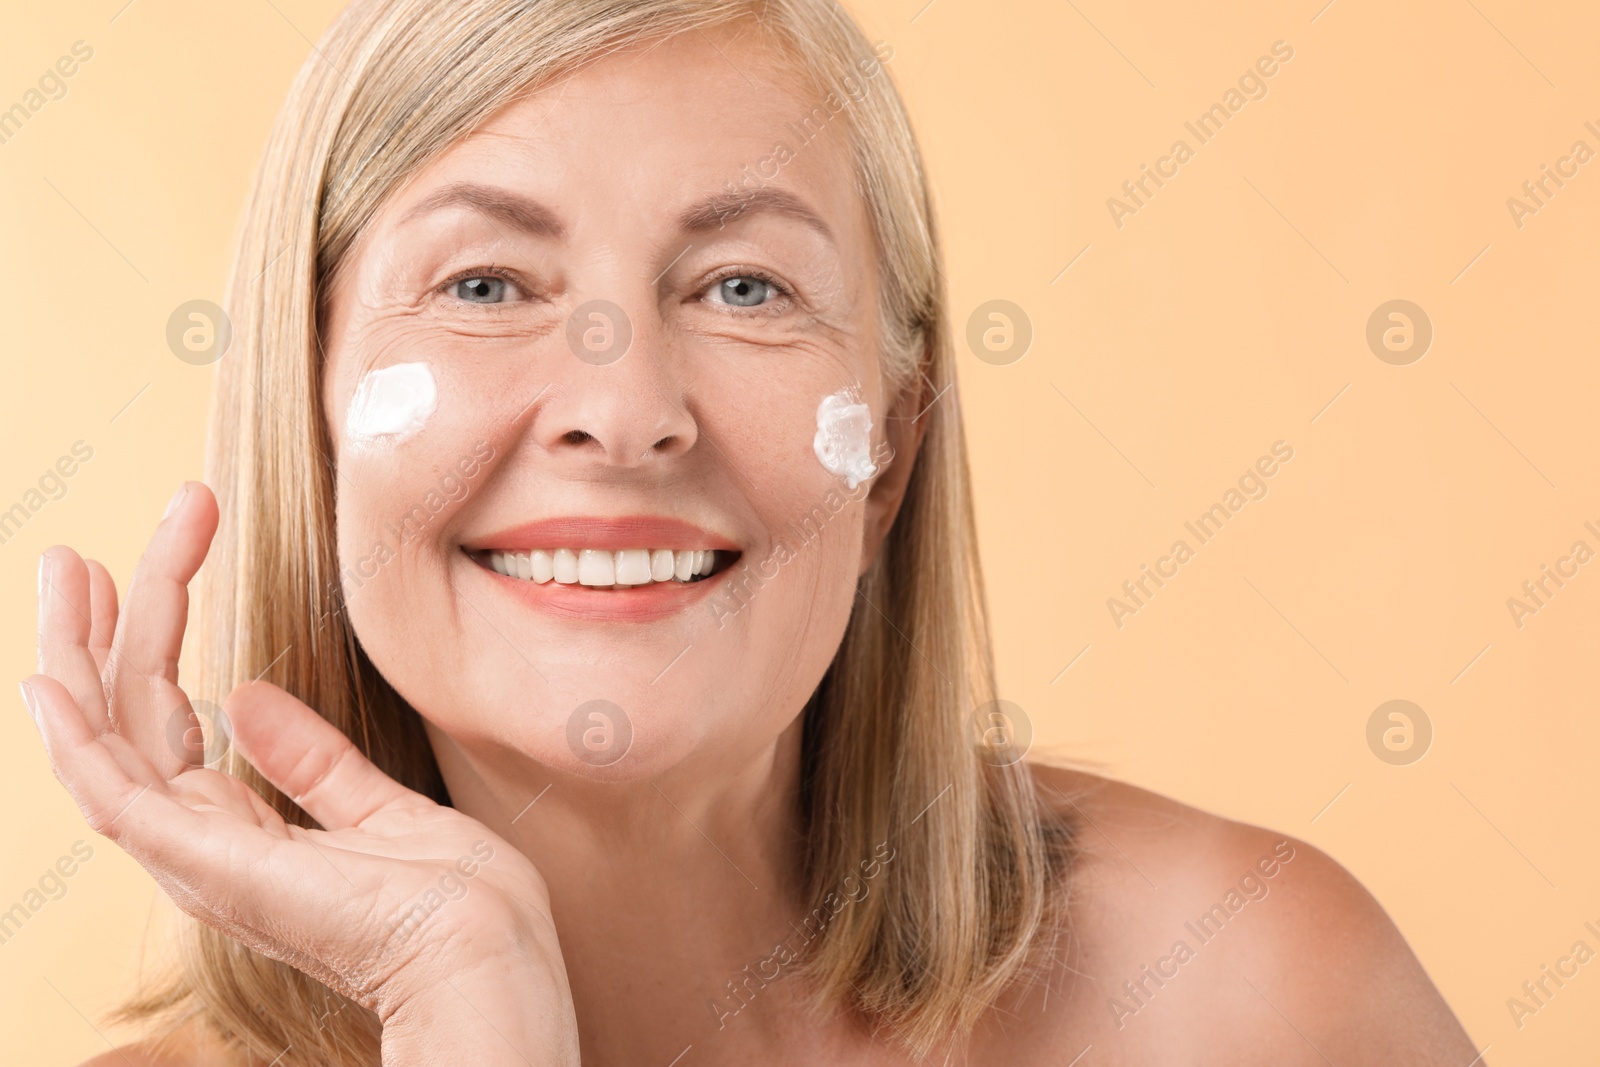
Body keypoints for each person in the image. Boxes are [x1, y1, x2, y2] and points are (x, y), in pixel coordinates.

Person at [25, 0, 1480, 1062]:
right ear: (308, 411)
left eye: (742, 289)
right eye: (484, 285)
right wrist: (470, 1006)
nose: (625, 407)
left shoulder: (1247, 992)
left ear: (895, 449)